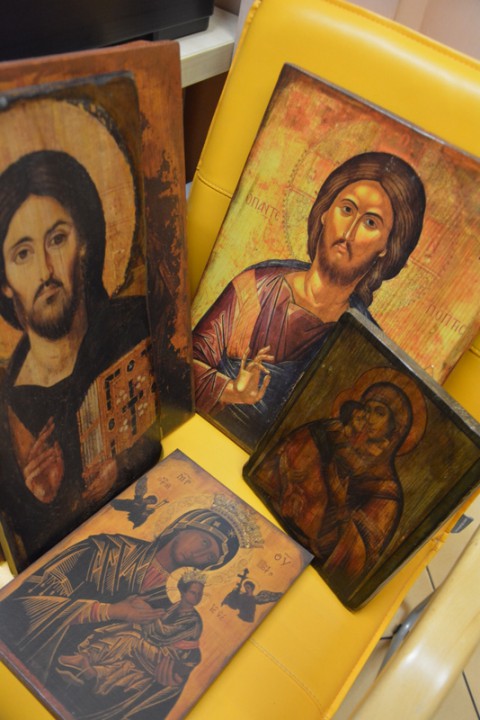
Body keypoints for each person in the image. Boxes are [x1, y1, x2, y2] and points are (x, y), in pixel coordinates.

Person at [193, 152, 426, 449]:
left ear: (386, 247)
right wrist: (230, 390)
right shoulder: (257, 286)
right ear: (325, 213)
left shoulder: (360, 345)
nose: (349, 232)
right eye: (346, 209)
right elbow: (183, 364)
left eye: (370, 222)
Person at [0, 150, 161, 570]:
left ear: (84, 242)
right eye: (22, 254)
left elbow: (169, 421)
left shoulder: (135, 325)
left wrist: (121, 467)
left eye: (57, 239)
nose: (45, 271)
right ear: (5, 283)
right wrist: (47, 501)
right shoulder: (8, 408)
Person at [0, 503, 242, 718]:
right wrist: (109, 611)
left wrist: (167, 680)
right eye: (204, 542)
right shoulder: (106, 551)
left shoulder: (177, 604)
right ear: (183, 526)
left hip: (87, 696)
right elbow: (24, 601)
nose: (201, 555)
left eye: (210, 557)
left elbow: (177, 665)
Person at [251, 377, 421, 591]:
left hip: (308, 574)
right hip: (265, 521)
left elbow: (355, 560)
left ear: (395, 430)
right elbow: (273, 467)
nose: (369, 418)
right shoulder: (326, 433)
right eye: (367, 409)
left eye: (379, 413)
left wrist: (339, 503)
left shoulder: (385, 490)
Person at [57, 571, 207, 720]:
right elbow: (155, 632)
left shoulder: (193, 620)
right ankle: (91, 668)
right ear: (182, 591)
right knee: (129, 648)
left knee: (132, 639)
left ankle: (88, 658)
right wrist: (143, 614)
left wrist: (148, 614)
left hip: (167, 658)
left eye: (199, 594)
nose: (197, 597)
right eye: (193, 592)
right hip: (155, 649)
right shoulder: (175, 608)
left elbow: (164, 633)